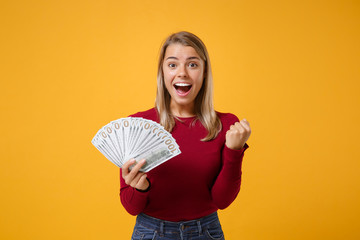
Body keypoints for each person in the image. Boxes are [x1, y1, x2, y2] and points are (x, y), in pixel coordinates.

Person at [120, 31, 251, 240]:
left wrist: (234, 151)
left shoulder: (225, 125)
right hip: (151, 232)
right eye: (172, 65)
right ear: (162, 72)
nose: (182, 73)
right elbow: (131, 206)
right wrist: (140, 188)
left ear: (204, 72)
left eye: (192, 64)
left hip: (206, 232)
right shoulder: (138, 126)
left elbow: (222, 201)